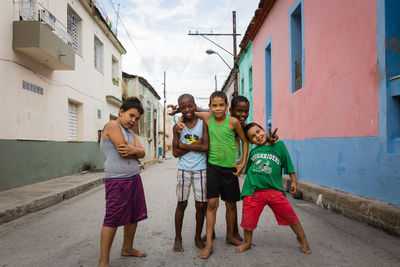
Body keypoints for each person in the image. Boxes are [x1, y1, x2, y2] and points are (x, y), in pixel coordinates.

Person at [186, 91, 249, 259]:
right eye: (214, 105)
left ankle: (230, 236)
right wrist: (178, 115)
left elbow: (244, 140)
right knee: (212, 203)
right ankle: (209, 244)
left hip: (230, 169)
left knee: (231, 204)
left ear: (227, 106)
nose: (218, 108)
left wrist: (243, 163)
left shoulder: (233, 122)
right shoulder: (208, 118)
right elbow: (190, 111)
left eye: (221, 105)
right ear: (209, 107)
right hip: (213, 167)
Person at [236, 122, 311, 254]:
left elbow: (288, 163)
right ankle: (247, 242)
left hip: (274, 190)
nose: (258, 136)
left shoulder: (279, 145)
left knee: (290, 215)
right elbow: (249, 170)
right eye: (253, 136)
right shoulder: (253, 152)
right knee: (248, 218)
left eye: (258, 132)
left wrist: (294, 181)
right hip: (253, 190)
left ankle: (302, 239)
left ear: (264, 130)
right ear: (251, 141)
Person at [98, 97, 148, 267]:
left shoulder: (130, 133)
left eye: (136, 118)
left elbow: (142, 153)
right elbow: (123, 152)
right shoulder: (112, 126)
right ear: (121, 111)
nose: (133, 120)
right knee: (112, 219)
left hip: (134, 178)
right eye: (131, 115)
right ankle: (103, 262)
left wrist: (135, 150)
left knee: (134, 216)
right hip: (117, 181)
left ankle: (127, 248)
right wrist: (137, 152)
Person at [172, 94, 209, 252]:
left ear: (195, 105)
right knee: (182, 204)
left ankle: (197, 237)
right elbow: (175, 152)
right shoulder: (178, 127)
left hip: (201, 170)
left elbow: (206, 147)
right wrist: (197, 143)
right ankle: (178, 238)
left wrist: (184, 145)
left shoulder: (203, 124)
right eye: (183, 107)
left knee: (201, 205)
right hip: (184, 170)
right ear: (179, 108)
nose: (187, 110)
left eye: (190, 106)